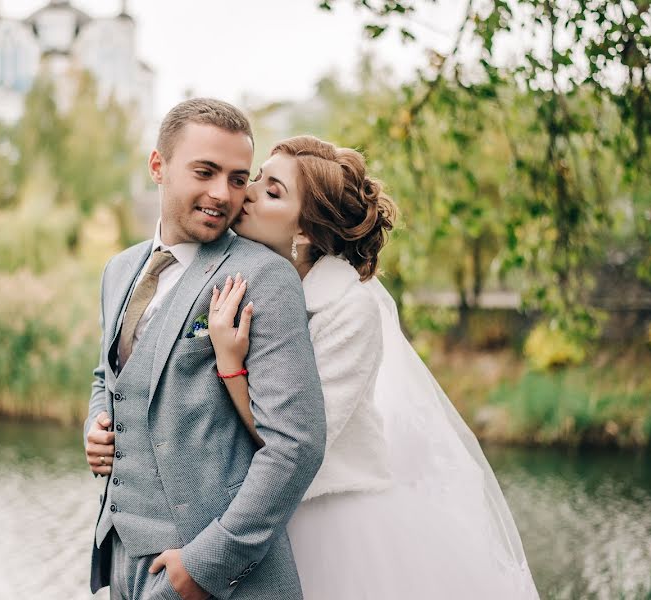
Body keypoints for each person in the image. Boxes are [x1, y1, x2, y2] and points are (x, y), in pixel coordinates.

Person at [206, 135, 541, 599]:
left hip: (328, 518)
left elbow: (295, 439)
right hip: (259, 508)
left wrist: (230, 363)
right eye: (259, 178)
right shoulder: (247, 277)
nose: (249, 191)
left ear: (304, 231)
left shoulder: (349, 309)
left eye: (273, 190)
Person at [83, 100, 327, 600]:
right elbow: (108, 377)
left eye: (239, 179)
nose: (222, 193)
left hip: (213, 575)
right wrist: (96, 424)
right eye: (205, 171)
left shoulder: (265, 277)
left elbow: (297, 445)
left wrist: (208, 563)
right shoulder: (119, 271)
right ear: (158, 166)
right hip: (122, 562)